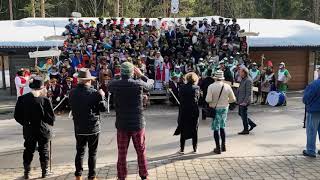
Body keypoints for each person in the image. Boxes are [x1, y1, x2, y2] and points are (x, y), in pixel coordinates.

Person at [108, 62, 154, 180]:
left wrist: (118, 76)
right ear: (132, 72)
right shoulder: (138, 83)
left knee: (122, 152)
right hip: (137, 123)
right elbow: (150, 85)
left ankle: (121, 176)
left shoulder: (115, 84)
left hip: (122, 124)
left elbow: (109, 84)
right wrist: (141, 75)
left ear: (121, 72)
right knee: (141, 150)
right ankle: (144, 175)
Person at [69, 68, 107, 180]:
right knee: (92, 153)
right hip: (93, 127)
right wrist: (102, 96)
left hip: (79, 127)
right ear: (88, 80)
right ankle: (91, 176)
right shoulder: (95, 93)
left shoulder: (72, 92)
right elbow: (103, 109)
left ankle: (78, 175)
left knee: (80, 152)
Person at [14, 77, 55, 179]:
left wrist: (25, 123)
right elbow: (51, 118)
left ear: (31, 87)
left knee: (28, 150)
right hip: (42, 129)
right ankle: (44, 172)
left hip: (29, 129)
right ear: (42, 88)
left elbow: (17, 116)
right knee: (44, 150)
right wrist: (47, 121)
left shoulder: (22, 99)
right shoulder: (45, 100)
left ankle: (27, 173)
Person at [206, 70, 236, 154]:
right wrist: (226, 102)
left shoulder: (211, 86)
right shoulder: (227, 86)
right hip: (224, 108)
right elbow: (233, 99)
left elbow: (208, 99)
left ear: (215, 78)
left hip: (215, 109)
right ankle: (223, 146)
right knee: (222, 127)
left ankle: (218, 148)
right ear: (222, 78)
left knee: (216, 128)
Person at [176, 72, 200, 154]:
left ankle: (182, 149)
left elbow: (180, 96)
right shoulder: (197, 88)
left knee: (183, 129)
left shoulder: (182, 87)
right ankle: (195, 148)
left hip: (184, 110)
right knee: (194, 129)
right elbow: (198, 99)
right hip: (194, 110)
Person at [302, 67, 320, 157]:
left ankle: (311, 150)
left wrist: (306, 102)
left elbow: (306, 98)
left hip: (315, 111)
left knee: (312, 131)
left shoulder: (315, 84)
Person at [237, 67, 257, 135]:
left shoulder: (248, 80)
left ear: (244, 72)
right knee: (240, 113)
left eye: (240, 72)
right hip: (241, 100)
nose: (239, 73)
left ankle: (246, 129)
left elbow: (248, 93)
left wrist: (245, 102)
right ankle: (252, 124)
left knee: (243, 114)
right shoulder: (243, 79)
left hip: (245, 101)